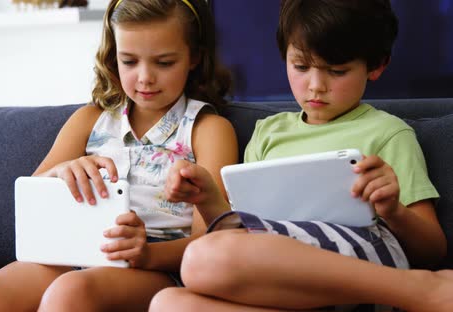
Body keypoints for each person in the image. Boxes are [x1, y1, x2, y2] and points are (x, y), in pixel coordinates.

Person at [150, 0, 453, 311]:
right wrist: (206, 197)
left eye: (337, 71)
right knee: (168, 303)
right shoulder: (268, 132)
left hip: (365, 262)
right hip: (286, 276)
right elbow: (244, 233)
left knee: (203, 258)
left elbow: (431, 250)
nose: (316, 86)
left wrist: (393, 210)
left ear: (375, 66)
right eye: (301, 67)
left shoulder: (387, 132)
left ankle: (422, 291)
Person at [0, 0, 237, 311]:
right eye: (129, 61)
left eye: (164, 62)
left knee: (70, 292)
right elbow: (32, 203)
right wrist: (62, 172)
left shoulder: (207, 129)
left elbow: (211, 239)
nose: (145, 77)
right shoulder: (89, 120)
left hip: (159, 267)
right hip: (75, 256)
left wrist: (145, 254)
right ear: (113, 56)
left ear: (194, 56)